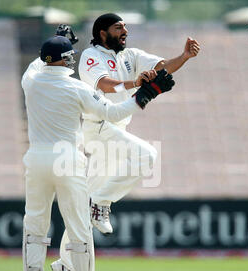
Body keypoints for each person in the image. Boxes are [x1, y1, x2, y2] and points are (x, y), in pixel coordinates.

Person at [21, 35, 175, 271]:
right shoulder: (76, 88)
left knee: (35, 223)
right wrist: (147, 94)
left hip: (35, 159)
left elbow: (36, 63)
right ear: (66, 59)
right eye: (69, 54)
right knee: (79, 224)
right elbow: (115, 114)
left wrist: (52, 45)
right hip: (67, 161)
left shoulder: (30, 81)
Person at [76, 13, 201, 234]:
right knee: (147, 155)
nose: (124, 31)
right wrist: (134, 82)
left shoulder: (130, 55)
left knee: (85, 205)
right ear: (102, 33)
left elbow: (162, 67)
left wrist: (184, 56)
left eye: (125, 27)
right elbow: (105, 85)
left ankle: (68, 263)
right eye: (118, 28)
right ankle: (102, 202)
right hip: (99, 126)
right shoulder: (91, 55)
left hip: (116, 130)